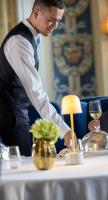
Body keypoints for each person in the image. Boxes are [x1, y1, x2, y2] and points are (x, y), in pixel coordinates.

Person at [0, 0, 72, 156]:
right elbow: (36, 92)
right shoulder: (19, 42)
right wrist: (65, 131)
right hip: (11, 119)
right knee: (21, 174)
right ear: (37, 13)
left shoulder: (30, 37)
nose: (55, 25)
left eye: (58, 21)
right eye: (51, 20)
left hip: (18, 115)